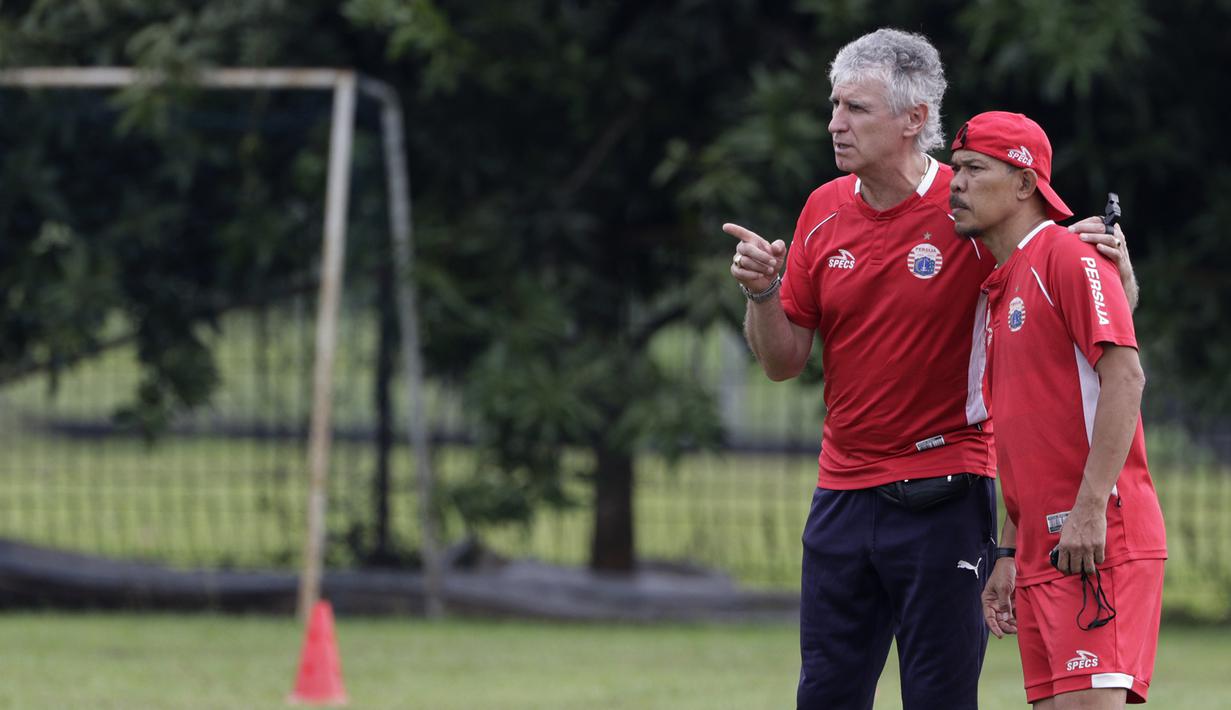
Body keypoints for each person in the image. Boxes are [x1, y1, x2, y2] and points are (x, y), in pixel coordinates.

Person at [723, 29, 1135, 709]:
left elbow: (1079, 306)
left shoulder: (973, 207)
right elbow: (781, 362)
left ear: (913, 120)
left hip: (945, 495)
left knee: (939, 697)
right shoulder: (821, 213)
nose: (834, 123)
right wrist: (763, 294)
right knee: (823, 695)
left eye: (855, 108)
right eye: (833, 106)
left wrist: (1116, 272)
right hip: (841, 496)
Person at [949, 111, 1166, 707]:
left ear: (1024, 184)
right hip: (1049, 549)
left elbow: (1126, 378)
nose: (955, 183)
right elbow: (1031, 439)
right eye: (955, 168)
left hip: (1098, 541)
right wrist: (1009, 552)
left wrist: (1092, 509)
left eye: (974, 168)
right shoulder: (1003, 284)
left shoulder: (1065, 257)